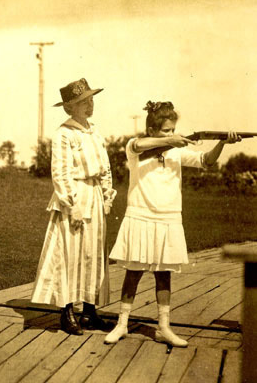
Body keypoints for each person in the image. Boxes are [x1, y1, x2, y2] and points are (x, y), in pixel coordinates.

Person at [104, 100, 241, 347]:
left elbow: (206, 160)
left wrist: (222, 142)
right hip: (141, 215)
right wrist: (170, 141)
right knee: (133, 273)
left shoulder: (177, 151)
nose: (171, 134)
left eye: (172, 130)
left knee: (164, 276)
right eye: (166, 130)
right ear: (153, 130)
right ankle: (122, 324)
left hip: (168, 218)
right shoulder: (135, 147)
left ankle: (164, 327)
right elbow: (138, 144)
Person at [31, 78, 116, 335]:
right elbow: (61, 173)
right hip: (75, 200)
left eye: (91, 99)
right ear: (70, 108)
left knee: (93, 254)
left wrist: (106, 194)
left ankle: (89, 312)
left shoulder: (94, 132)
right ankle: (66, 312)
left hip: (95, 198)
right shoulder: (63, 134)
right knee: (69, 255)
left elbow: (105, 168)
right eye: (82, 102)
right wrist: (72, 204)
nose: (89, 105)